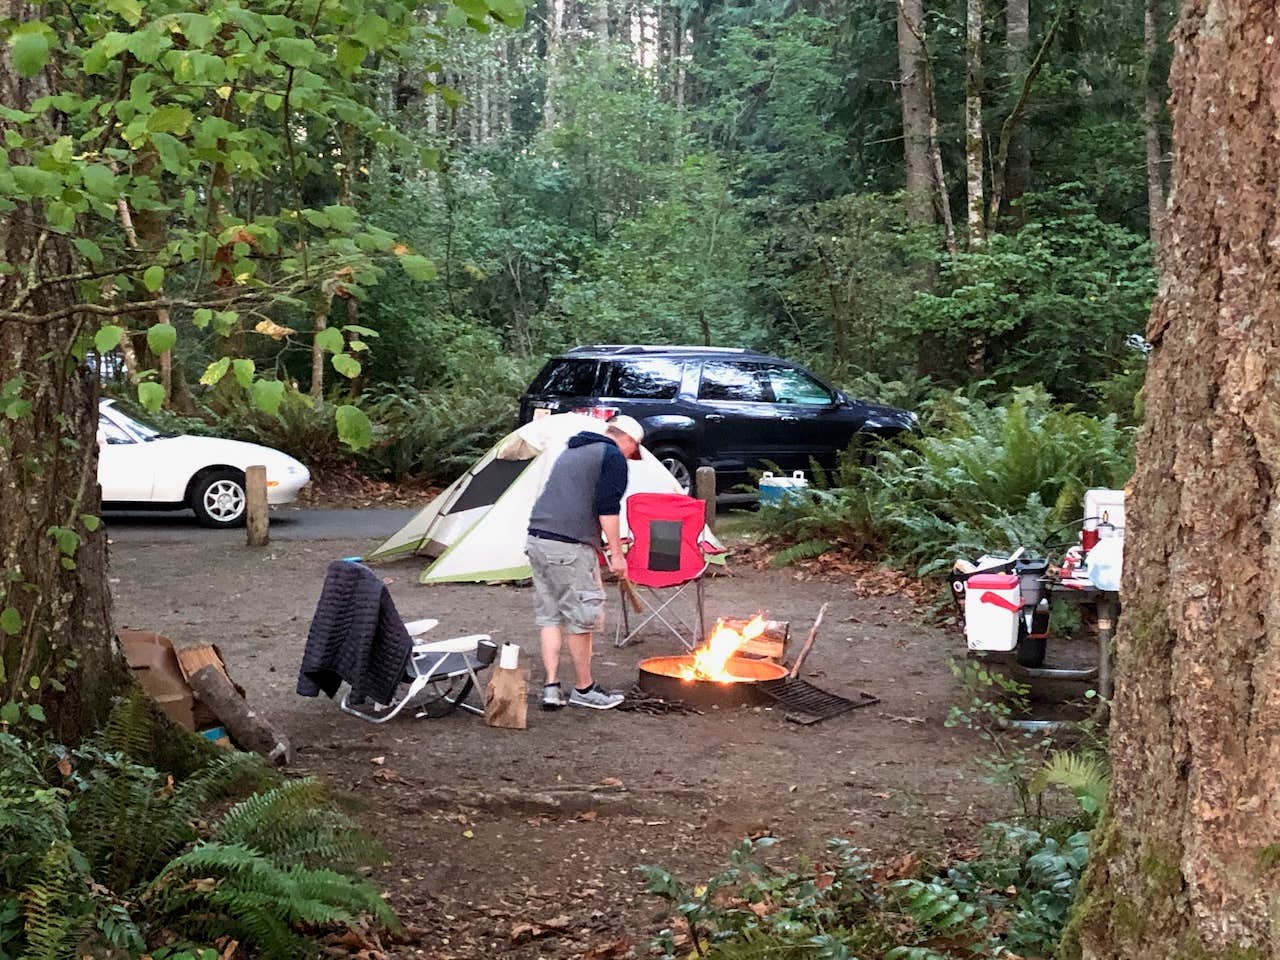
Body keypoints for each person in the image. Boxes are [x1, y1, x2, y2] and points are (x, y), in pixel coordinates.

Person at [526, 415, 644, 710]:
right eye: (634, 450)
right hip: (569, 546)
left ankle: (551, 687)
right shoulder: (613, 455)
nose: (631, 456)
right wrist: (616, 554)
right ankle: (584, 688)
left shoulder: (574, 450)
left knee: (551, 616)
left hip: (537, 539)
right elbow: (608, 507)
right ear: (628, 440)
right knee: (582, 617)